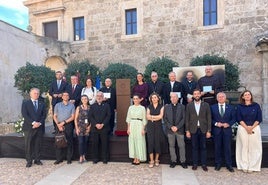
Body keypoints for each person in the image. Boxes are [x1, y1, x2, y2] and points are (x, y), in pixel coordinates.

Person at [236, 90, 262, 173]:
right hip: (243, 127)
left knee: (254, 147)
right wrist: (246, 128)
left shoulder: (256, 106)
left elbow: (259, 118)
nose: (247, 96)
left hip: (255, 128)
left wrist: (251, 128)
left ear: (251, 96)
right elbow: (239, 118)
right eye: (245, 95)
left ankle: (253, 166)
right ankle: (244, 165)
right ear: (243, 97)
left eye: (249, 94)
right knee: (243, 147)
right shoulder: (239, 106)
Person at [185, 89, 211, 171]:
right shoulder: (189, 105)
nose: (196, 95)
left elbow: (209, 118)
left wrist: (209, 131)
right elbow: (187, 119)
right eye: (195, 94)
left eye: (198, 94)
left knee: (203, 147)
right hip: (193, 130)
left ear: (200, 95)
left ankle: (204, 164)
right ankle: (195, 164)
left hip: (203, 129)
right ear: (193, 95)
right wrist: (187, 130)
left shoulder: (206, 105)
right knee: (194, 147)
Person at [21, 88, 46, 167]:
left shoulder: (42, 103)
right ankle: (29, 160)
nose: (36, 95)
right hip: (29, 127)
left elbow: (44, 115)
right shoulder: (25, 103)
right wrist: (33, 123)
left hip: (39, 127)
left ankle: (37, 160)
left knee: (38, 144)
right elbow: (25, 114)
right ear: (30, 94)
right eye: (35, 93)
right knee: (28, 144)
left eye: (38, 93)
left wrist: (39, 123)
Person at [211, 92, 236, 172]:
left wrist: (228, 124)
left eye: (222, 97)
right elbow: (209, 118)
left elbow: (234, 118)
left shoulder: (231, 107)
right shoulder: (212, 107)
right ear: (217, 98)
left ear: (225, 98)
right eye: (219, 97)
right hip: (217, 131)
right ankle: (218, 164)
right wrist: (216, 123)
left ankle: (229, 164)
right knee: (217, 148)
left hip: (227, 131)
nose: (221, 98)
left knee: (227, 148)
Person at [164, 92, 187, 169]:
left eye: (175, 97)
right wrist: (171, 127)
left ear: (178, 98)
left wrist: (177, 127)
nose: (173, 99)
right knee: (171, 146)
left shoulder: (182, 106)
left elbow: (184, 118)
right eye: (172, 97)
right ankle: (173, 161)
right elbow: (165, 119)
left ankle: (183, 161)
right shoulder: (166, 107)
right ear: (170, 98)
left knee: (182, 146)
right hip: (170, 131)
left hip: (179, 130)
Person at [53, 92, 75, 165]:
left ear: (69, 97)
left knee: (69, 142)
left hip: (68, 125)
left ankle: (69, 159)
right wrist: (58, 124)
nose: (66, 96)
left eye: (67, 95)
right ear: (62, 97)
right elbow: (54, 116)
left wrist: (64, 123)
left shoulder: (72, 105)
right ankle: (59, 159)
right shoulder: (57, 105)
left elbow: (73, 117)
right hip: (58, 125)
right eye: (64, 95)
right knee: (58, 141)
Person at [89, 91, 111, 164]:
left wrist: (102, 124)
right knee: (95, 144)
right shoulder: (92, 106)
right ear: (96, 97)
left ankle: (105, 158)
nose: (99, 97)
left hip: (104, 128)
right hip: (94, 128)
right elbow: (90, 117)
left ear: (103, 97)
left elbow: (108, 116)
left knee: (105, 144)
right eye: (97, 96)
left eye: (100, 96)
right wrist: (96, 124)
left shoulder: (107, 105)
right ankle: (95, 158)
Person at [126, 94, 147, 165]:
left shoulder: (142, 108)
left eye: (136, 98)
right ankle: (134, 157)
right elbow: (128, 118)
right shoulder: (130, 108)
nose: (135, 100)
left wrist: (143, 129)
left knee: (139, 140)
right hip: (132, 124)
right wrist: (128, 128)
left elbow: (144, 119)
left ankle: (139, 157)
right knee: (132, 141)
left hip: (139, 124)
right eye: (134, 99)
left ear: (139, 99)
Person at [146, 93, 164, 168]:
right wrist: (155, 117)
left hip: (158, 126)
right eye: (152, 98)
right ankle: (151, 160)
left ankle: (157, 159)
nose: (154, 99)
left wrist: (152, 117)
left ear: (158, 98)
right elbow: (147, 117)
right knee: (150, 142)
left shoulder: (161, 106)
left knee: (157, 142)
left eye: (155, 97)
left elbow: (161, 117)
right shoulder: (148, 106)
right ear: (151, 99)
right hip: (150, 126)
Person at [74, 95, 91, 164]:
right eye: (83, 99)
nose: (84, 100)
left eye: (85, 99)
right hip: (80, 127)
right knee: (81, 142)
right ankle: (80, 156)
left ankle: (84, 156)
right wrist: (76, 128)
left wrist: (90, 127)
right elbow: (75, 119)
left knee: (85, 142)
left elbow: (92, 118)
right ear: (81, 100)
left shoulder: (90, 108)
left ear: (87, 100)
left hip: (87, 128)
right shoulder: (78, 108)